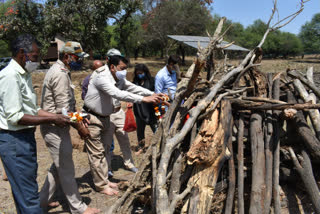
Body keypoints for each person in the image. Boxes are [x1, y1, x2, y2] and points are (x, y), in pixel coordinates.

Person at [0, 34, 70, 214]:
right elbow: (16, 116)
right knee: (29, 197)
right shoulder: (10, 77)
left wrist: (57, 116)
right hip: (15, 140)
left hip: (24, 138)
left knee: (25, 193)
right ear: (22, 53)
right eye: (35, 56)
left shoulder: (24, 74)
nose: (37, 60)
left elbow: (33, 109)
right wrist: (53, 118)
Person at [83, 55, 163, 196]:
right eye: (122, 68)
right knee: (97, 154)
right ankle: (101, 185)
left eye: (126, 68)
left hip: (105, 117)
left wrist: (153, 94)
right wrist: (144, 99)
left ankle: (104, 180)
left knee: (103, 150)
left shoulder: (117, 77)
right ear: (112, 67)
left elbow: (132, 87)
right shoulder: (101, 77)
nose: (124, 72)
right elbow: (117, 93)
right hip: (93, 118)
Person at [39, 41, 100, 214]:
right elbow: (63, 111)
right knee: (66, 169)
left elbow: (68, 108)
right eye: (77, 57)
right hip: (54, 128)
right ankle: (78, 207)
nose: (79, 61)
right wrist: (79, 126)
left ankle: (42, 201)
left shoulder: (62, 71)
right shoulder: (59, 74)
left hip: (58, 126)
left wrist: (79, 117)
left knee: (58, 167)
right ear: (67, 57)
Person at [132, 64, 158, 153]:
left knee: (156, 129)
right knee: (140, 130)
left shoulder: (152, 81)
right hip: (139, 110)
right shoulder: (135, 83)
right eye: (138, 73)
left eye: (141, 73)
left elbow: (156, 93)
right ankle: (141, 147)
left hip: (150, 110)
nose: (139, 75)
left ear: (145, 72)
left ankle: (158, 145)